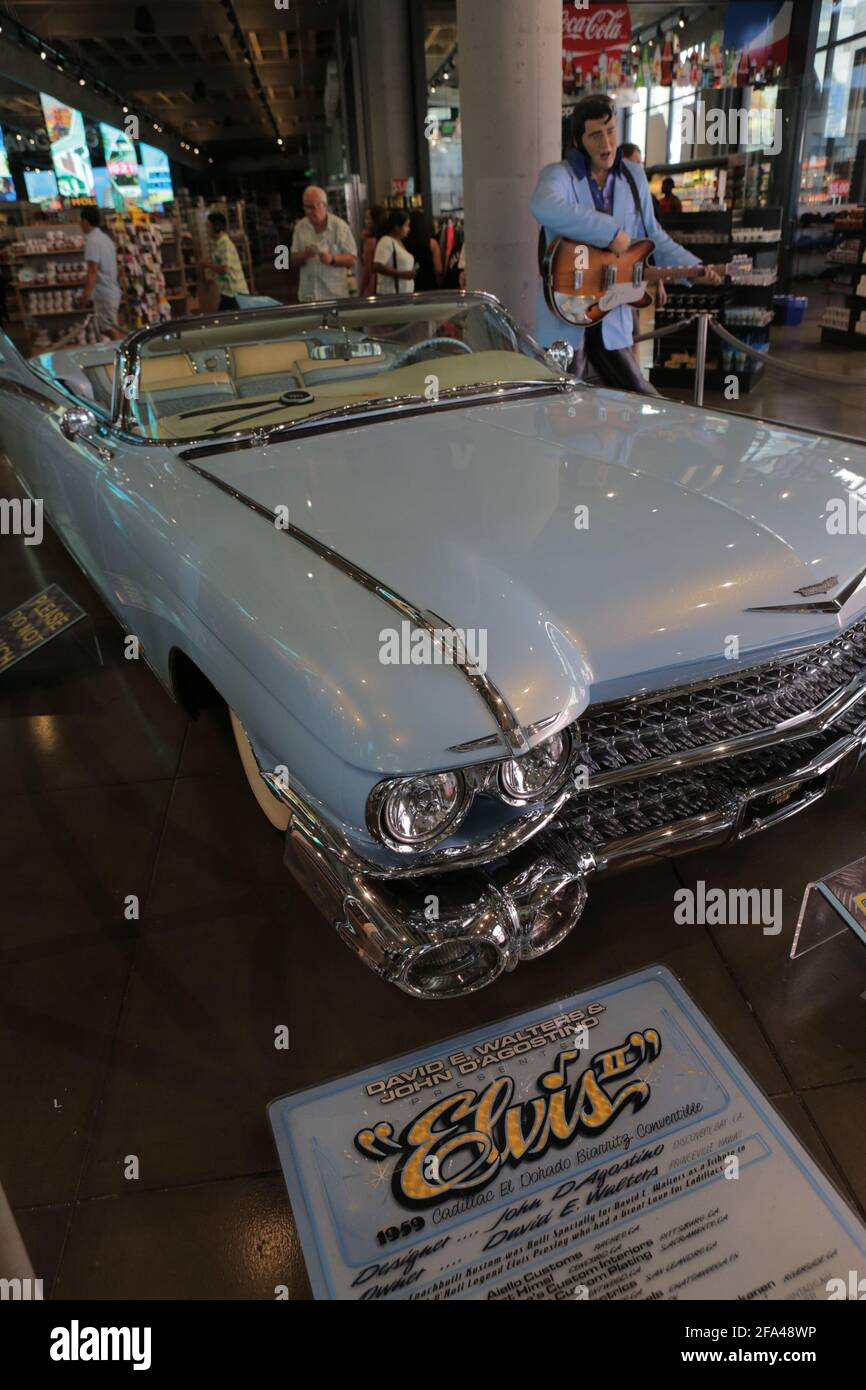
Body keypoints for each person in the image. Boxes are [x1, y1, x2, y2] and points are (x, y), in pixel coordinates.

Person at [531, 94, 718, 395]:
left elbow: (652, 236)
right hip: (566, 316)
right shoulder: (560, 175)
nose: (606, 143)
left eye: (611, 131)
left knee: (639, 398)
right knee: (556, 410)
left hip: (611, 315)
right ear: (578, 140)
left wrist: (694, 267)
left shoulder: (632, 176)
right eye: (595, 135)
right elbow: (543, 205)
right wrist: (611, 232)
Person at [290, 186, 357, 302]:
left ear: (325, 205)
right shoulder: (300, 227)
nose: (312, 211)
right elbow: (292, 260)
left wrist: (332, 259)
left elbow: (352, 259)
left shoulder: (340, 227)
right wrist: (305, 255)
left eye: (316, 206)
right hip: (308, 296)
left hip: (334, 296)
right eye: (308, 207)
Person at [79, 206, 122, 338]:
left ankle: (127, 357)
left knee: (109, 329)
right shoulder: (105, 238)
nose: (80, 224)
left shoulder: (92, 241)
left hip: (104, 292)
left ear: (85, 221)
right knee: (107, 328)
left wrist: (85, 295)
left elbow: (92, 271)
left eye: (80, 221)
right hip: (112, 289)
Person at [202, 211, 249, 309]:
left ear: (217, 227)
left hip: (234, 293)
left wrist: (207, 264)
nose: (206, 230)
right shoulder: (219, 243)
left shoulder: (225, 244)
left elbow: (224, 268)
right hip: (229, 292)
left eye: (208, 226)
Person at [373, 211, 415, 294]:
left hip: (403, 294)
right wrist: (401, 274)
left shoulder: (398, 242)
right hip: (392, 294)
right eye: (406, 225)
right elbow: (377, 266)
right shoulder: (386, 241)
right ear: (397, 227)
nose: (408, 229)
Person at [404, 210, 442, 291]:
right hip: (429, 285)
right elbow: (438, 269)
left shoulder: (403, 243)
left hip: (410, 285)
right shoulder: (432, 243)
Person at [361, 204, 386, 296]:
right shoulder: (387, 239)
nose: (365, 221)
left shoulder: (370, 242)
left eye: (368, 218)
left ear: (376, 220)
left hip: (374, 283)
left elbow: (367, 271)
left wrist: (361, 290)